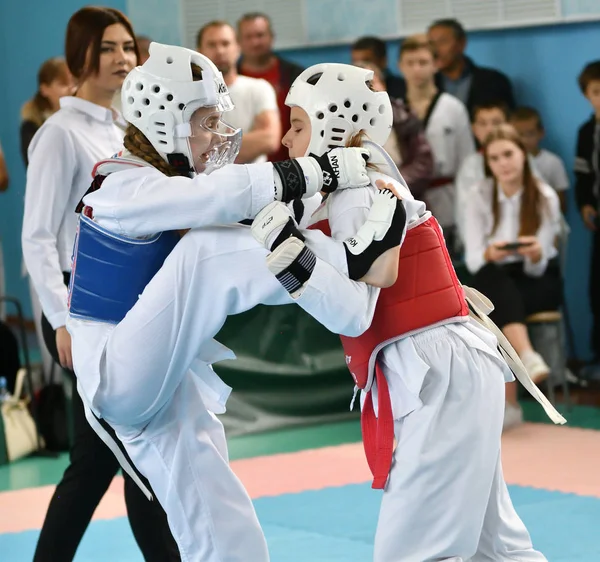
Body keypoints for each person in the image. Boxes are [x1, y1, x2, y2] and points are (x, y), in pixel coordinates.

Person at [66, 42, 392, 561]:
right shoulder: (123, 187)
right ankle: (352, 293)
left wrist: (321, 193)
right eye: (206, 122)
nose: (218, 136)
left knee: (220, 522)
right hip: (118, 372)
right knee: (208, 251)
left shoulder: (164, 185)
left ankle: (352, 275)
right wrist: (324, 170)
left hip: (160, 378)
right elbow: (224, 198)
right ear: (165, 119)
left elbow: (246, 207)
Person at [253, 62, 563, 561]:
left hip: (432, 369)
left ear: (335, 125)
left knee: (416, 552)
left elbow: (352, 310)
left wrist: (292, 260)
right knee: (495, 548)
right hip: (446, 363)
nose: (287, 142)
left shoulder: (356, 196)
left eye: (297, 125)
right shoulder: (363, 187)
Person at [21, 8, 180, 561]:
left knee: (122, 453)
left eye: (128, 48)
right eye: (108, 48)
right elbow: (37, 237)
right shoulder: (58, 134)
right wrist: (62, 320)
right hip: (77, 307)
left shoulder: (123, 131)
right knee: (105, 455)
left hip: (126, 304)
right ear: (80, 57)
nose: (122, 59)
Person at [464, 124, 563, 429]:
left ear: (523, 154)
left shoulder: (544, 196)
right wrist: (491, 253)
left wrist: (534, 253)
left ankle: (509, 404)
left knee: (495, 305)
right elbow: (473, 257)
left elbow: (542, 263)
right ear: (487, 163)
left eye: (508, 154)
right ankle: (528, 356)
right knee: (493, 285)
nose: (502, 163)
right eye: (494, 158)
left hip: (535, 278)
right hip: (495, 274)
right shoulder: (478, 194)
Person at [398, 33, 475, 254]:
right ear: (400, 66)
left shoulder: (453, 108)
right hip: (407, 201)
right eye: (410, 63)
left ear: (435, 65)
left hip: (446, 200)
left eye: (423, 62)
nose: (416, 69)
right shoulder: (394, 109)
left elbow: (467, 164)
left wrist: (465, 215)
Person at [427, 18, 516, 116]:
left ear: (462, 44)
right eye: (431, 43)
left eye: (442, 42)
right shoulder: (426, 83)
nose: (435, 50)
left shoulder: (494, 81)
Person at [575, 60, 600, 378]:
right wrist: (584, 205)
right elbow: (582, 176)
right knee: (596, 290)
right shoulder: (585, 132)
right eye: (596, 91)